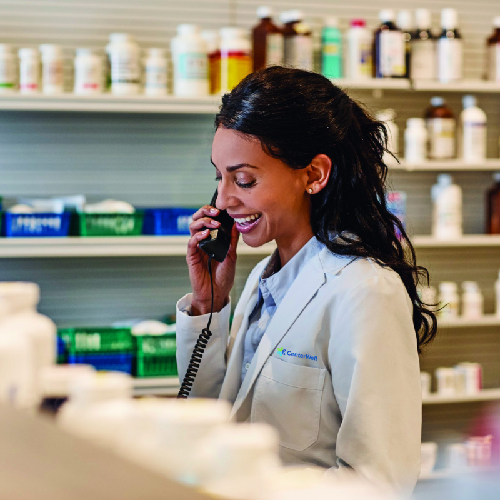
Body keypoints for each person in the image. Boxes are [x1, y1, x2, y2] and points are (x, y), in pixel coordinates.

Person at [176, 66, 437, 493]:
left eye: (244, 179)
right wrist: (209, 304)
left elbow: (379, 483)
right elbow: (212, 423)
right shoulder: (264, 277)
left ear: (314, 174)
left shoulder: (366, 291)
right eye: (218, 177)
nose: (223, 200)